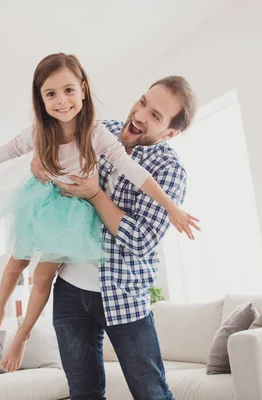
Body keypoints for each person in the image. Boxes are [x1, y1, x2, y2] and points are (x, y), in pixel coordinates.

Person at [0, 53, 199, 373]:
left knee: (41, 277)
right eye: (50, 94)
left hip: (83, 237)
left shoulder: (105, 138)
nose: (61, 100)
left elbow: (135, 176)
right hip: (46, 214)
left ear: (83, 89)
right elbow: (5, 151)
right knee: (16, 263)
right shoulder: (49, 130)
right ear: (41, 100)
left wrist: (171, 207)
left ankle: (21, 335)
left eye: (68, 91)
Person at [31, 75, 198, 399]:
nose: (139, 115)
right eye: (143, 102)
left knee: (151, 393)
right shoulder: (98, 131)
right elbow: (55, 166)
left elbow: (140, 240)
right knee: (83, 393)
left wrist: (95, 195)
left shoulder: (168, 170)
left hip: (123, 292)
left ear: (170, 132)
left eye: (155, 116)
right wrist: (41, 164)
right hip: (69, 287)